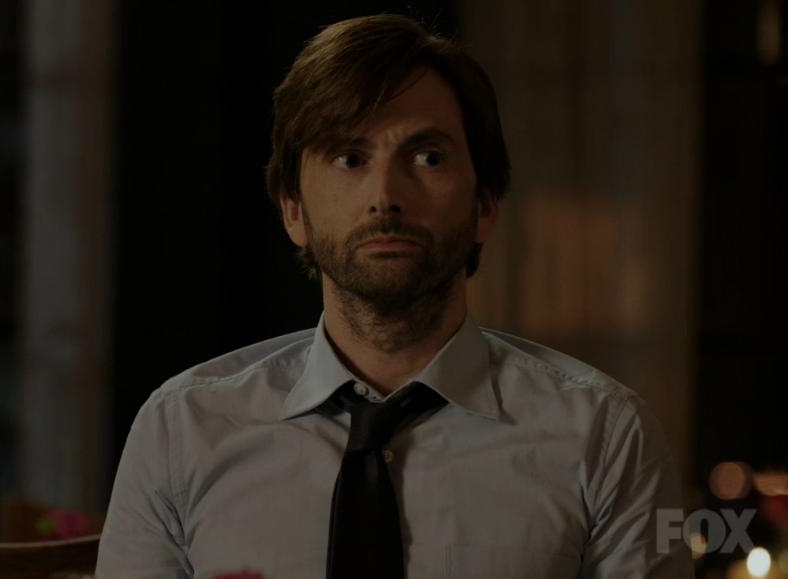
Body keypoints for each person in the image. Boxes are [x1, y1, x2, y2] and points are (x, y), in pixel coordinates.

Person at [95, 14, 693, 579]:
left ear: (485, 205)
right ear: (293, 209)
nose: (385, 195)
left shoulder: (607, 438)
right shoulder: (182, 432)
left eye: (428, 157)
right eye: (349, 158)